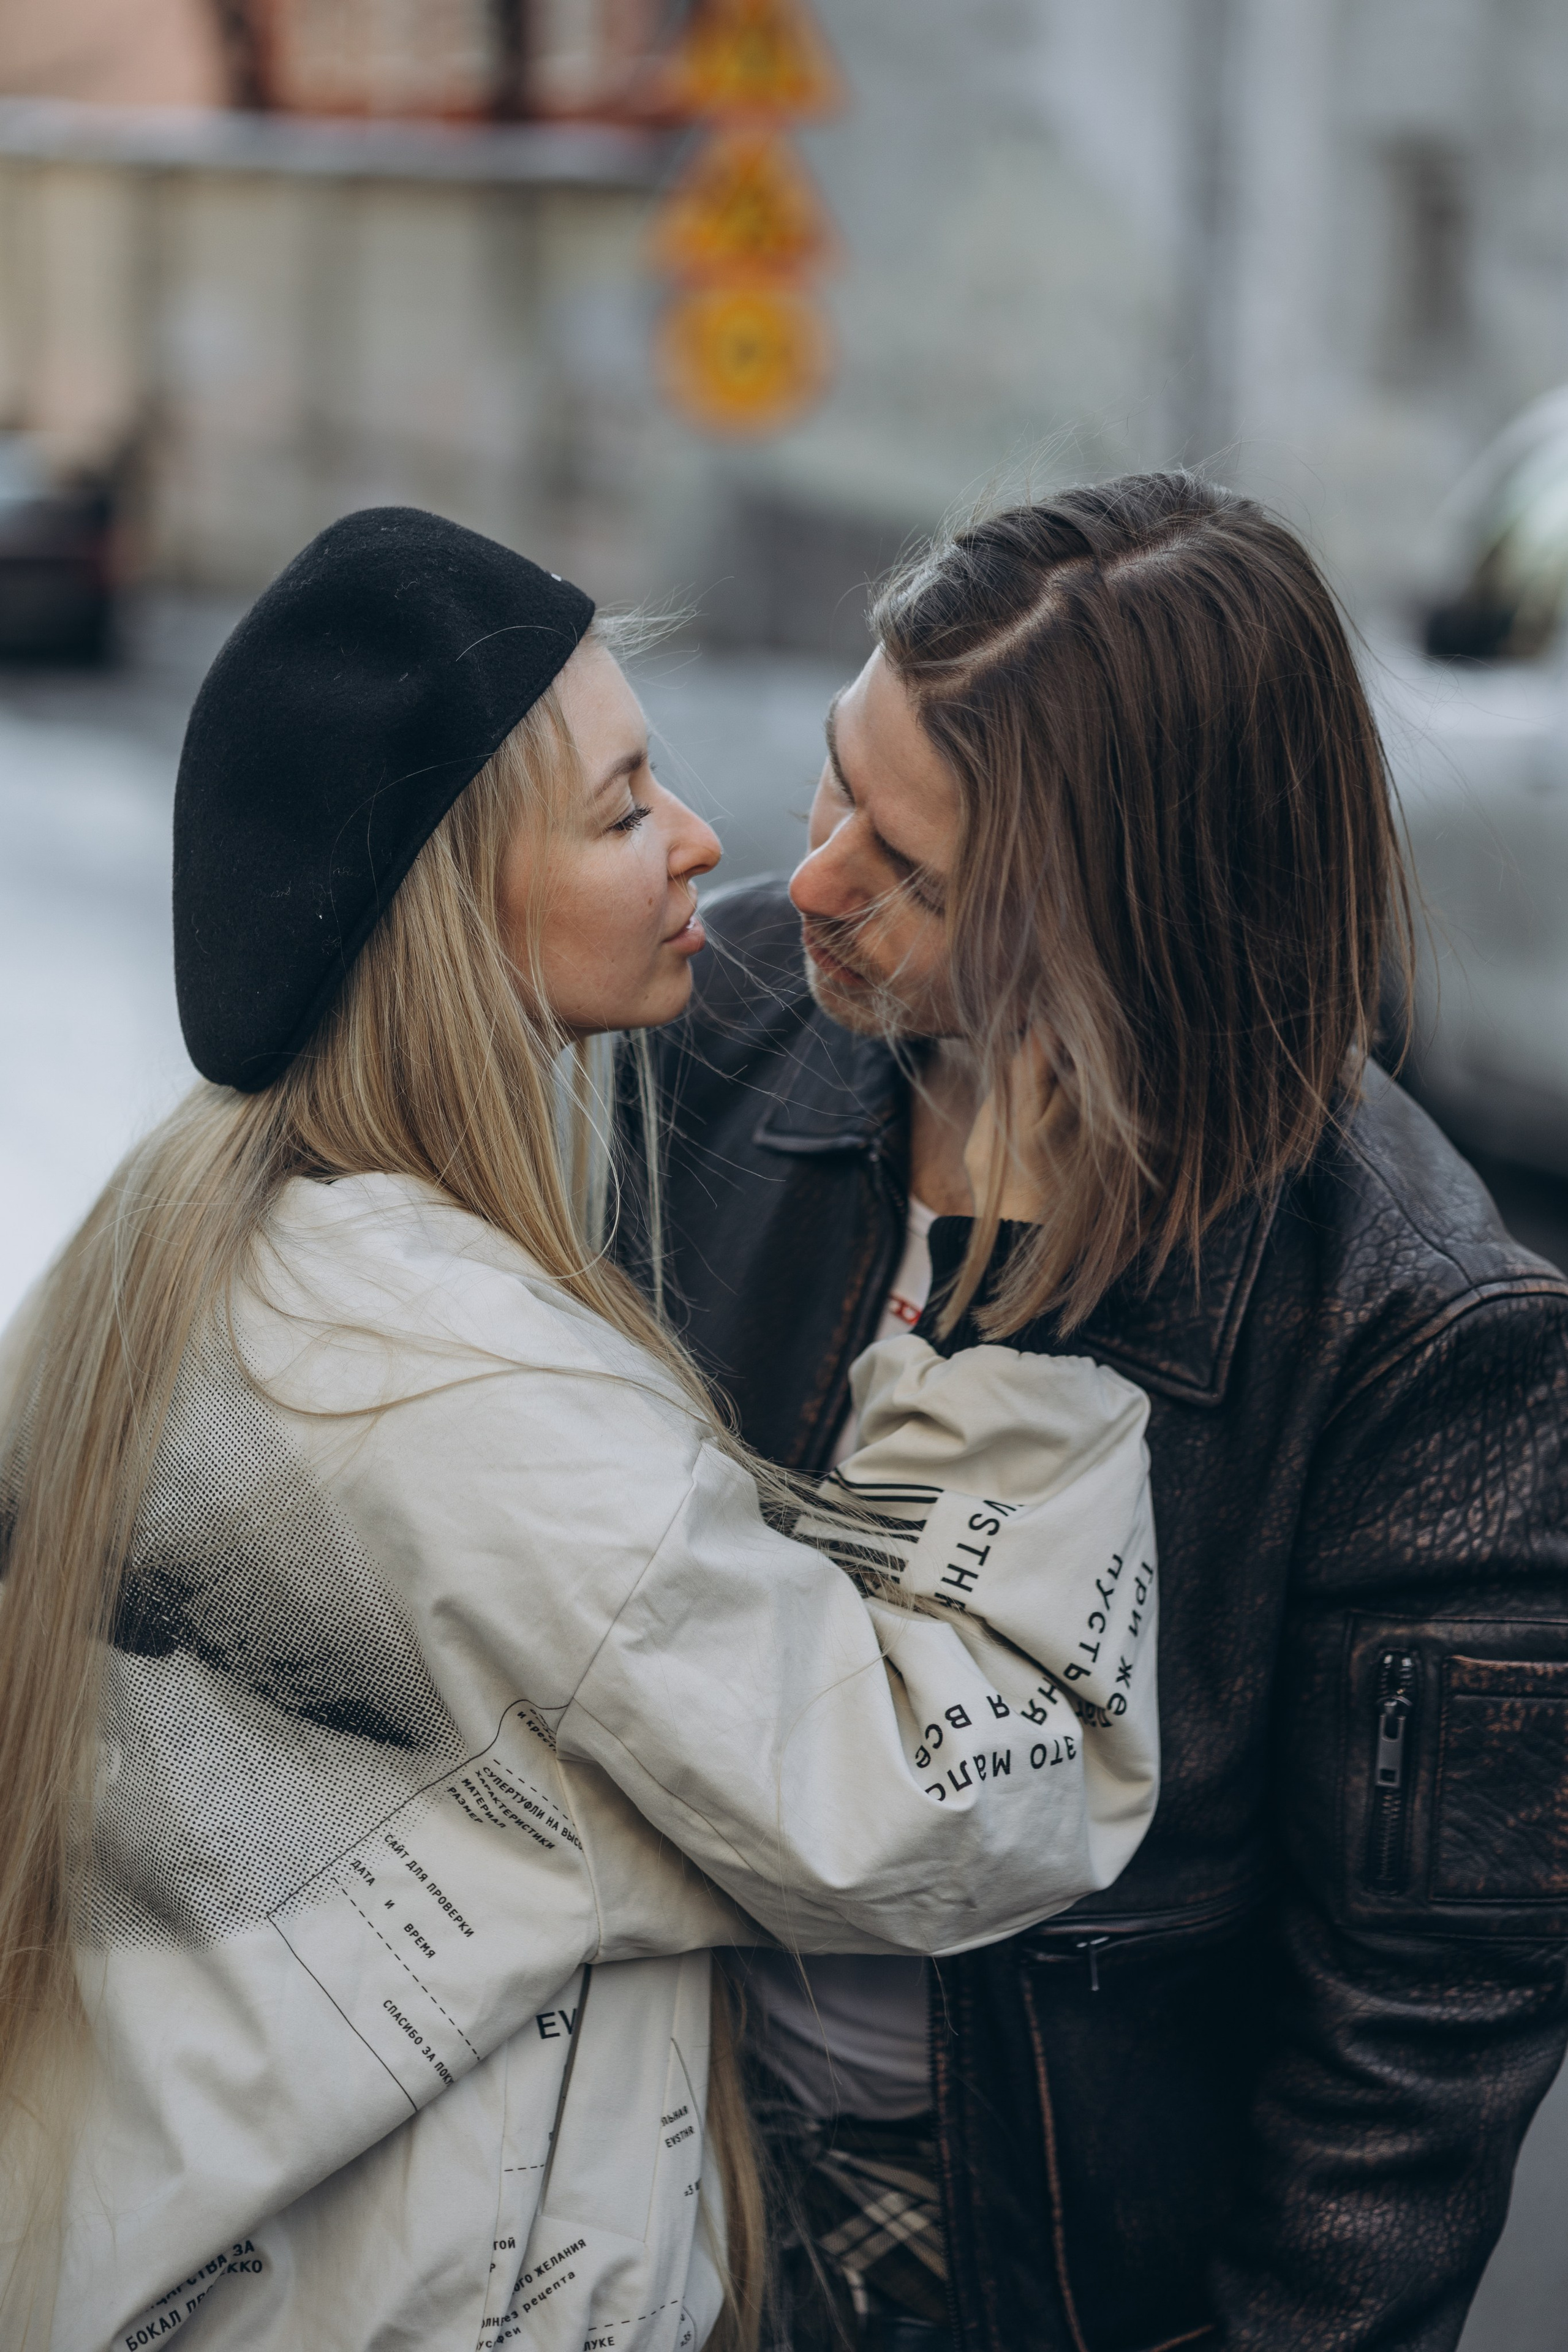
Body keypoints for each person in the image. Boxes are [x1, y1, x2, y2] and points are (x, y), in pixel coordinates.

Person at [0, 508, 1163, 2352]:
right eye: (624, 813)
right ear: (450, 916)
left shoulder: (191, 1238)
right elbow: (956, 1797)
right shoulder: (453, 1385)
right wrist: (1002, 1290)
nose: (707, 839)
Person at [622, 472, 1568, 2352]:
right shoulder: (719, 1028)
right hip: (640, 2151)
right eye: (838, 778)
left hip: (1001, 2278)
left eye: (918, 873)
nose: (804, 881)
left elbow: (1412, 2054)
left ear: (1140, 930)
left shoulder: (1421, 1336)